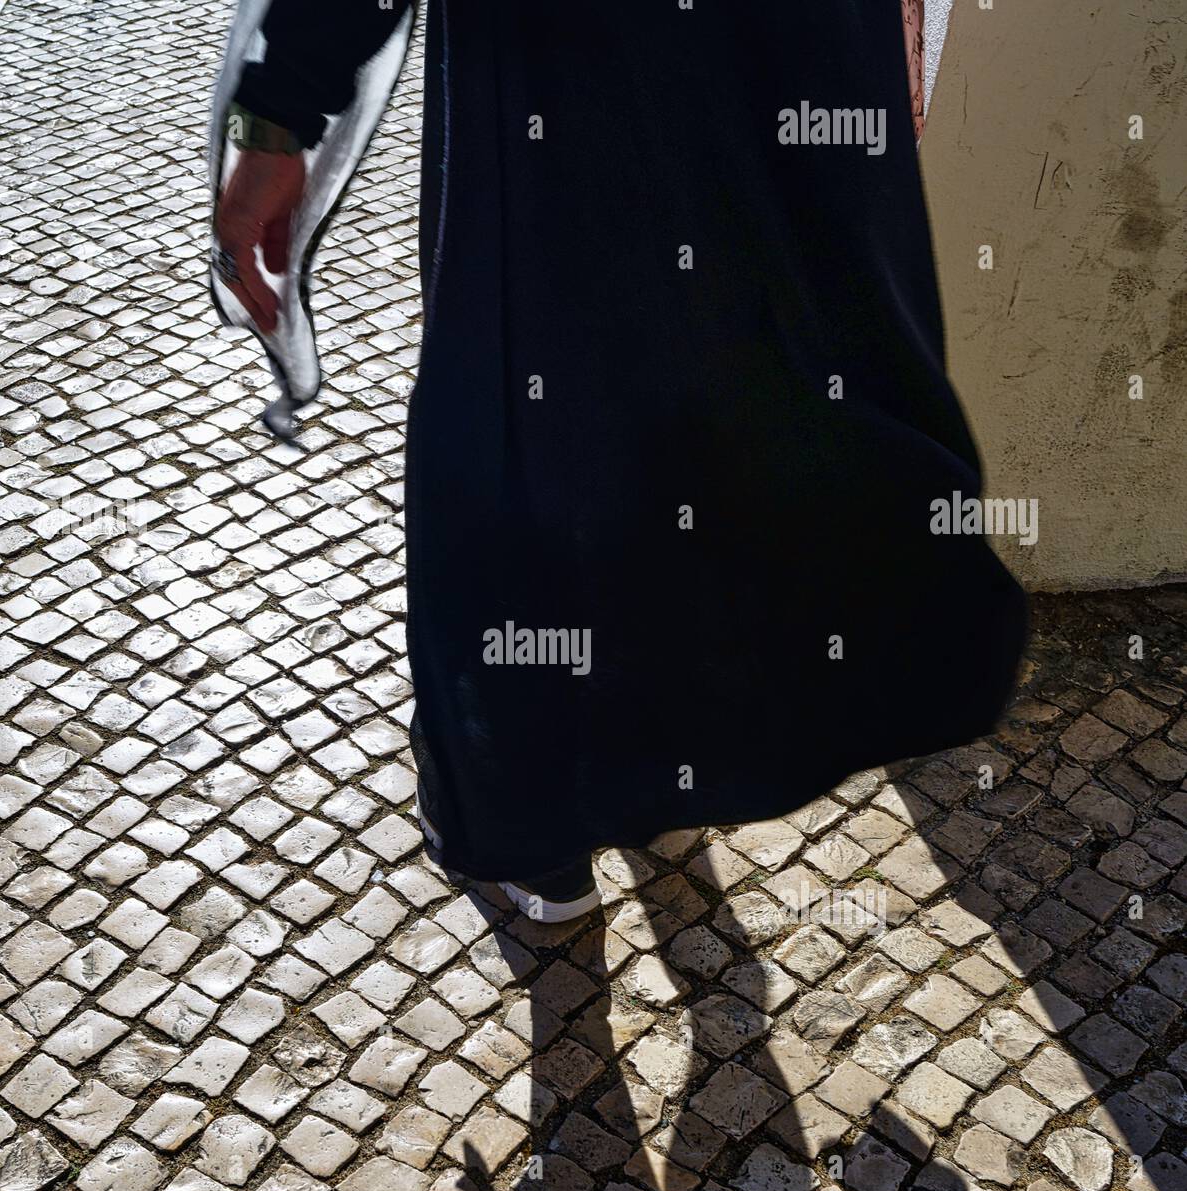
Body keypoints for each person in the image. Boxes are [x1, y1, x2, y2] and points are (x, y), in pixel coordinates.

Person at [209, 1, 1027, 923]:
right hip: (785, 66)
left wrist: (277, 115)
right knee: (734, 390)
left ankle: (549, 822)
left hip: (565, 80)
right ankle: (671, 766)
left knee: (542, 425)